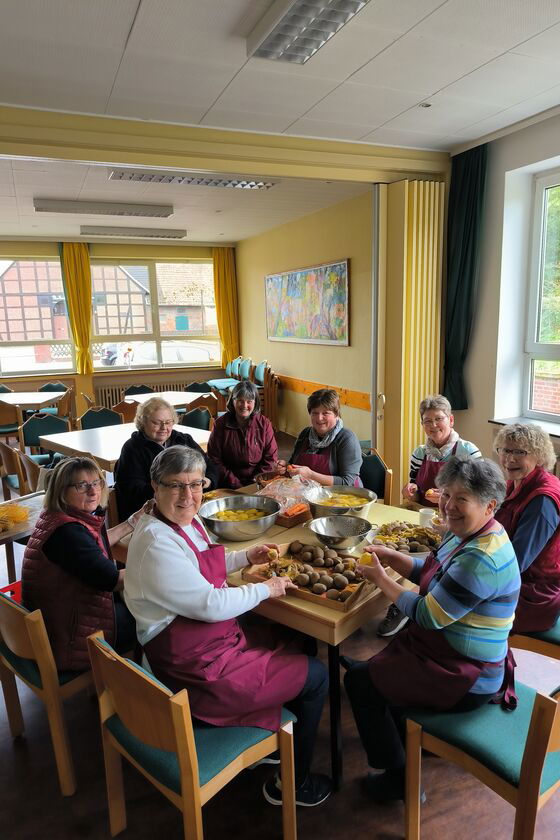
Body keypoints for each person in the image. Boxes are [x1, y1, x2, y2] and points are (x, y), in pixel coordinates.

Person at [124, 445, 332, 807]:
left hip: (203, 645)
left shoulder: (176, 521)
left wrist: (244, 557)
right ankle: (293, 784)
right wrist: (266, 587)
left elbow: (199, 567)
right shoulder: (156, 544)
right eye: (176, 486)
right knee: (315, 675)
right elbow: (210, 603)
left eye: (195, 484)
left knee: (288, 637)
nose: (188, 495)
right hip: (196, 674)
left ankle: (277, 739)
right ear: (155, 487)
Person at [343, 457, 520, 803]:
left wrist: (381, 579)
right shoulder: (469, 533)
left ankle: (399, 780)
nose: (449, 506)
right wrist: (396, 559)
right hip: (447, 654)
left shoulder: (482, 558)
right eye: (447, 494)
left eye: (462, 499)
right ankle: (392, 708)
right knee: (374, 673)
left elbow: (427, 615)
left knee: (359, 684)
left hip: (466, 675)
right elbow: (435, 570)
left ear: (490, 506)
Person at [22, 456, 141, 671]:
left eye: (96, 482)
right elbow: (112, 580)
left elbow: (95, 545)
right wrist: (162, 567)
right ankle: (134, 688)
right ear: (62, 490)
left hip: (58, 619)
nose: (93, 491)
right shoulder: (67, 534)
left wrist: (133, 521)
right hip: (70, 638)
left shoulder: (57, 516)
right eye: (81, 486)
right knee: (153, 616)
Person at [379, 394, 482, 639]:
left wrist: (448, 498)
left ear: (451, 420)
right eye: (427, 421)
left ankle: (408, 605)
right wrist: (410, 490)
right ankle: (401, 596)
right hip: (423, 517)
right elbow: (414, 489)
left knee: (431, 559)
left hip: (455, 520)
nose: (433, 425)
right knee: (396, 542)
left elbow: (478, 495)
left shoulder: (468, 451)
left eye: (439, 419)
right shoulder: (418, 452)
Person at [494, 422, 560, 633]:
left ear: (539, 456)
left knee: (458, 601)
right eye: (505, 450)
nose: (509, 458)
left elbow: (516, 563)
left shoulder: (542, 502)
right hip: (515, 579)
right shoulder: (515, 482)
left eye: (520, 452)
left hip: (532, 593)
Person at [113, 396, 218, 521]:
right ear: (143, 422)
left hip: (188, 507)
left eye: (168, 422)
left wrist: (208, 481)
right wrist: (172, 488)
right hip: (150, 515)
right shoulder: (132, 448)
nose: (163, 428)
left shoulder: (184, 440)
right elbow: (131, 491)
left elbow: (211, 467)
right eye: (156, 423)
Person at [278, 388, 362, 487]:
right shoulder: (305, 434)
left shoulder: (346, 439)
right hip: (310, 494)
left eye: (325, 413)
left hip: (343, 498)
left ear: (336, 414)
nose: (319, 418)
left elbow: (348, 482)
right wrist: (286, 467)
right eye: (315, 413)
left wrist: (310, 475)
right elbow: (293, 465)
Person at [207, 380, 278, 489]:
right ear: (233, 401)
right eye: (240, 401)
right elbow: (214, 459)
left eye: (249, 401)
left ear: (256, 402)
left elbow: (270, 458)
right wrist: (235, 484)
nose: (245, 405)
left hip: (258, 483)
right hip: (227, 484)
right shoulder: (220, 424)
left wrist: (255, 482)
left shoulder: (265, 424)